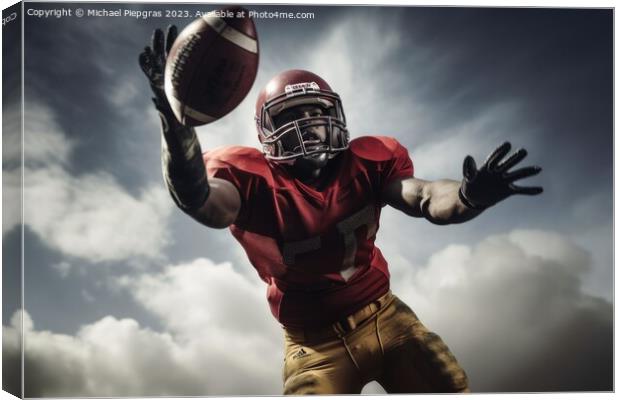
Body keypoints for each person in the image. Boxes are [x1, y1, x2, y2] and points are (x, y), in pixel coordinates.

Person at [139, 26, 542, 394]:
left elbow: (424, 197)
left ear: (336, 114)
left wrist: (468, 196)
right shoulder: (249, 177)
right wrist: (175, 122)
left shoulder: (370, 161)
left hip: (388, 316)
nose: (309, 122)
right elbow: (196, 197)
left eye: (317, 111)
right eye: (293, 114)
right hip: (311, 342)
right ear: (265, 131)